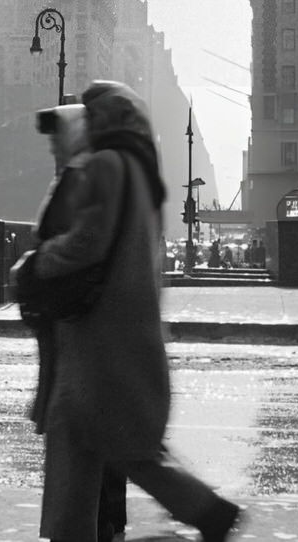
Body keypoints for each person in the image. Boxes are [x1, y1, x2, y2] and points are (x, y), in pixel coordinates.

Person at [32, 82, 241, 542]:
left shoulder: (107, 165)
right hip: (121, 329)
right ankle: (201, 511)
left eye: (94, 115)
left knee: (112, 442)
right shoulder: (140, 171)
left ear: (109, 120)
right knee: (102, 440)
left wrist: (39, 261)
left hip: (98, 336)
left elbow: (89, 241)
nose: (86, 124)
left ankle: (207, 510)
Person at [25, 103, 128, 542]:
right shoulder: (83, 173)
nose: (51, 146)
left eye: (56, 137)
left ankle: (93, 527)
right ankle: (100, 524)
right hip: (71, 330)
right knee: (92, 437)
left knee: (83, 439)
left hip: (77, 328)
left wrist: (33, 267)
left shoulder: (81, 176)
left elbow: (78, 244)